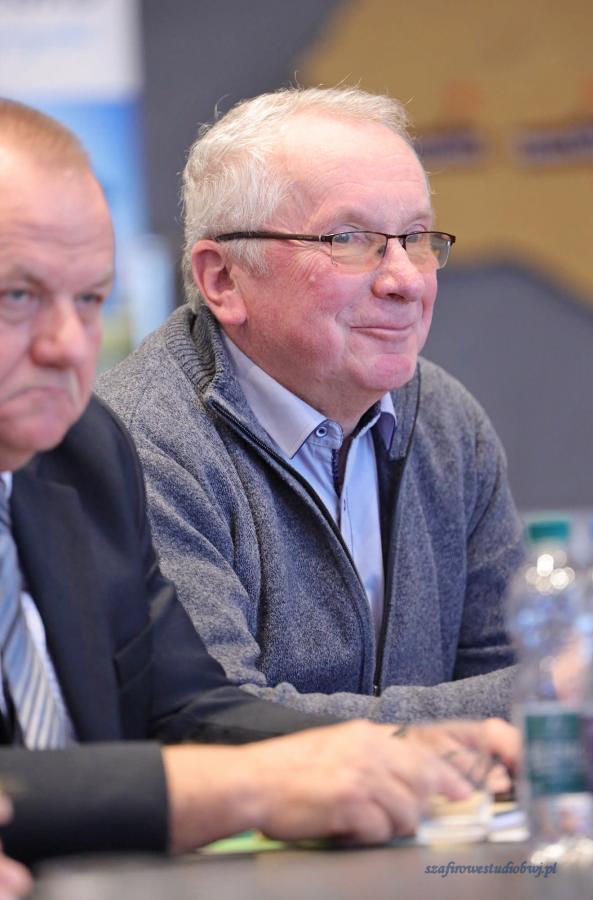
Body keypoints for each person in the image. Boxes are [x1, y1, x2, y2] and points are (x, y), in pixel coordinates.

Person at [0, 98, 520, 865]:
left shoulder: (81, 454)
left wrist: (406, 750)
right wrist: (249, 787)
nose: (66, 346)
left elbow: (190, 707)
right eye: (17, 296)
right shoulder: (140, 429)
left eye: (89, 300)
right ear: (221, 280)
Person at [98, 86, 523, 724]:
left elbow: (519, 677)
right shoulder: (140, 443)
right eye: (349, 239)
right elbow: (221, 724)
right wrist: (510, 708)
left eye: (415, 237)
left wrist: (531, 698)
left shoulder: (446, 420)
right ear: (223, 279)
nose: (406, 280)